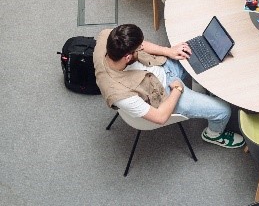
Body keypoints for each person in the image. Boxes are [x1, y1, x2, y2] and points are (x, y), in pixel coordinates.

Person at [93, 24, 245, 149]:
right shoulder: (120, 95)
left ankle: (202, 86)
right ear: (127, 57)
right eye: (139, 49)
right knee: (224, 111)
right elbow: (160, 117)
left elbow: (141, 45)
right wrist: (178, 89)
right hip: (165, 94)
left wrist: (169, 51)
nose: (142, 48)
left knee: (201, 54)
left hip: (159, 65)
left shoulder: (109, 37)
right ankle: (213, 135)